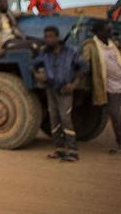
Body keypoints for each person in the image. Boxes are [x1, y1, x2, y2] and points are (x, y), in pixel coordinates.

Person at [32, 26, 85, 161]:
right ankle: (59, 149)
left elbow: (83, 67)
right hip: (51, 89)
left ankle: (73, 151)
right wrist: (38, 75)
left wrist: (74, 85)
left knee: (65, 119)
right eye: (46, 37)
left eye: (50, 36)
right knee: (54, 120)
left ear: (57, 37)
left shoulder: (70, 51)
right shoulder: (45, 53)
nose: (48, 39)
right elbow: (32, 65)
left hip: (65, 90)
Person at [82, 20, 121, 154]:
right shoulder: (91, 46)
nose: (110, 32)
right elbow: (84, 62)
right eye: (107, 30)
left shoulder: (113, 43)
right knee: (116, 116)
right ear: (98, 32)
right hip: (112, 88)